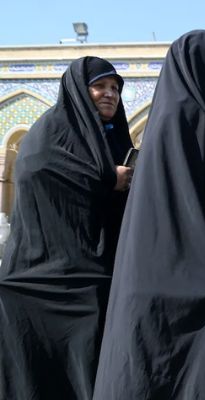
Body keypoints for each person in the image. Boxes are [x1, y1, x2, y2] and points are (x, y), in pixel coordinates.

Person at [92, 30, 205, 399]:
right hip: (166, 273)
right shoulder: (180, 117)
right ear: (202, 69)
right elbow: (185, 201)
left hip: (180, 267)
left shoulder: (201, 115)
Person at [0, 56, 133, 399]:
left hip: (101, 273)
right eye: (100, 86)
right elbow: (36, 170)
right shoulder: (51, 133)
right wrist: (104, 178)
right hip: (49, 277)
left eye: (115, 88)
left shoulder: (111, 138)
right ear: (78, 90)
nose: (110, 95)